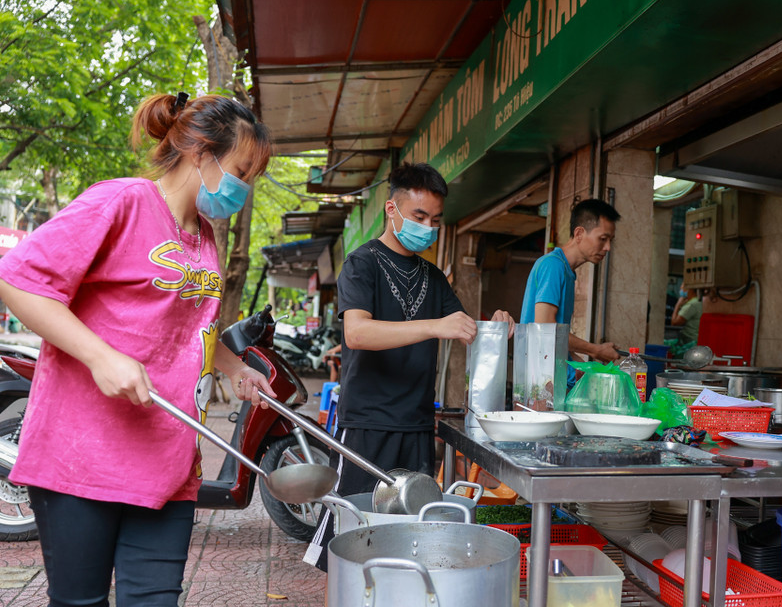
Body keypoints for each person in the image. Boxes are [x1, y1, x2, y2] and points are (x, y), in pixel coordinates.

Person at [0, 92, 276, 607]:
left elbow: (190, 323)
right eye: (241, 170)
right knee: (80, 602)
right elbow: (19, 281)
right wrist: (100, 356)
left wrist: (236, 367)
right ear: (201, 154)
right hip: (83, 454)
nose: (244, 186)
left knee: (153, 600)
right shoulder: (121, 201)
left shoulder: (206, 233)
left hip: (169, 458)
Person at [304, 162, 514, 570]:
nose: (427, 227)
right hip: (367, 423)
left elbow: (465, 329)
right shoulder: (361, 263)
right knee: (349, 539)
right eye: (418, 216)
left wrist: (498, 326)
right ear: (391, 209)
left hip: (416, 425)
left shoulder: (433, 278)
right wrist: (436, 325)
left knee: (407, 536)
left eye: (435, 220)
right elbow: (358, 334)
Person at [520, 198, 622, 385]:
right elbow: (546, 329)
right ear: (579, 233)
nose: (607, 247)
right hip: (540, 386)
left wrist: (576, 361)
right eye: (602, 239)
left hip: (551, 382)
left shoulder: (567, 271)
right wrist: (595, 350)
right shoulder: (553, 266)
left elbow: (556, 334)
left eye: (610, 241)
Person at [671, 281, 703, 346]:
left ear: (689, 289)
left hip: (690, 341)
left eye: (682, 288)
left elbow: (674, 323)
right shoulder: (696, 302)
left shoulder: (692, 305)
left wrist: (677, 305)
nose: (681, 290)